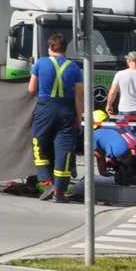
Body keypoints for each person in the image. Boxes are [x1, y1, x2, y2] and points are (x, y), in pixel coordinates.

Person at [27, 33, 83, 202]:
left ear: (50, 47)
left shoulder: (41, 63)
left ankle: (46, 182)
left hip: (45, 109)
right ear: (65, 49)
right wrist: (79, 117)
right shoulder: (74, 67)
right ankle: (59, 192)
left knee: (38, 144)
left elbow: (31, 89)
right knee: (64, 150)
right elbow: (79, 95)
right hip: (67, 110)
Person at [89, 111, 136, 188]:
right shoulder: (120, 125)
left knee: (117, 171)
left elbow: (99, 157)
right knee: (128, 161)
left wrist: (103, 175)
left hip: (127, 158)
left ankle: (122, 178)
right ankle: (134, 174)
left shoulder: (95, 133)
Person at [106, 52, 136, 128]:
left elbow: (112, 93)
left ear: (128, 60)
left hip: (124, 110)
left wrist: (109, 105)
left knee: (123, 133)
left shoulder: (120, 74)